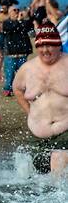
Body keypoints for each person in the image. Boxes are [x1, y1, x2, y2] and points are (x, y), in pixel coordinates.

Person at [12, 22, 68, 175]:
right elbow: (16, 89)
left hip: (65, 129)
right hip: (37, 134)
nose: (45, 50)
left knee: (58, 172)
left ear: (58, 45)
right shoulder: (27, 68)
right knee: (37, 178)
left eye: (50, 45)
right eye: (41, 46)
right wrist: (29, 111)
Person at [0, 6, 33, 97]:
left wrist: (26, 17)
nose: (17, 12)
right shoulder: (6, 23)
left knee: (23, 75)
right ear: (9, 12)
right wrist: (18, 21)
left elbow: (30, 27)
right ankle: (8, 90)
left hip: (22, 54)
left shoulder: (23, 22)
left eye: (18, 10)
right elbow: (11, 28)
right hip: (10, 55)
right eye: (14, 10)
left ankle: (23, 90)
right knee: (9, 76)